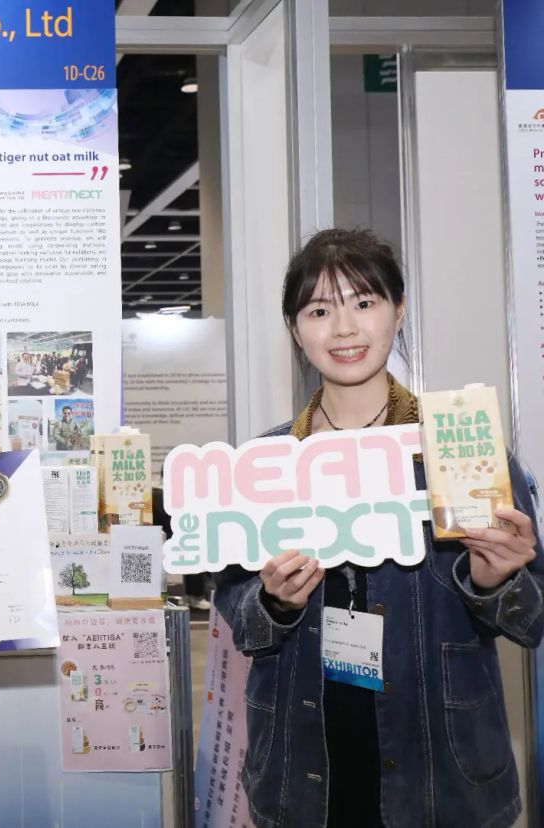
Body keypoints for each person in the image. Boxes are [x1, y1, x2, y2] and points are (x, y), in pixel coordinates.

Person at [214, 228, 543, 827]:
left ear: (398, 310)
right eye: (319, 310)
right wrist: (273, 602)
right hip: (303, 775)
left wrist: (496, 581)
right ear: (295, 329)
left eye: (364, 302)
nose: (343, 329)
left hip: (441, 778)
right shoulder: (264, 465)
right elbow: (240, 615)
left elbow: (532, 620)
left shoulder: (459, 449)